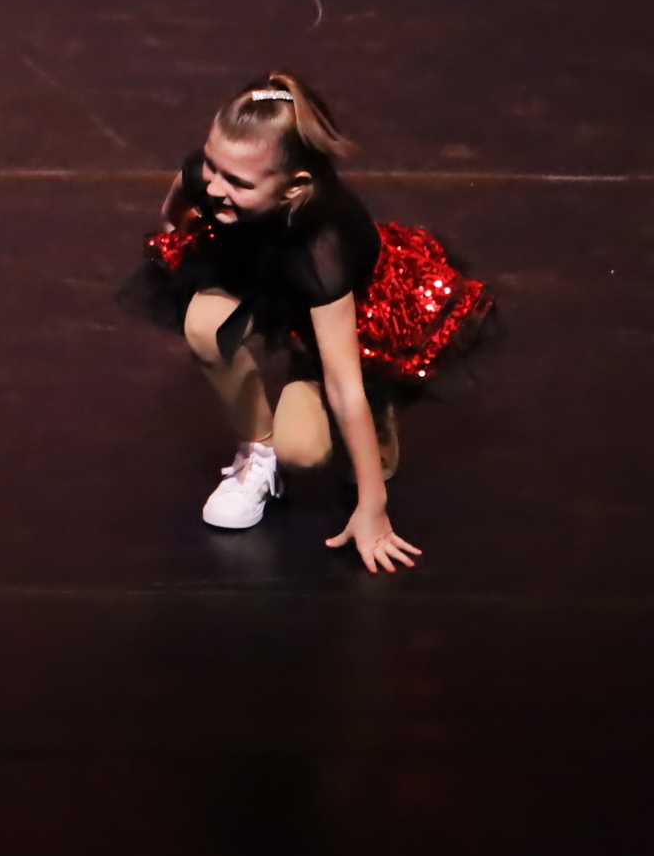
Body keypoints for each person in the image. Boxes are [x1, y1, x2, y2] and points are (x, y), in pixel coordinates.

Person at [123, 73, 496, 572]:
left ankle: (380, 407)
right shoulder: (213, 176)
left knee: (304, 450)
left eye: (238, 183)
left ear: (295, 187)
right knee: (204, 328)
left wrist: (373, 506)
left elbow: (343, 384)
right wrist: (179, 234)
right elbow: (179, 201)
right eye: (212, 166)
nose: (214, 187)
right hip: (263, 273)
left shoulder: (322, 243)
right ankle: (258, 455)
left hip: (340, 309)